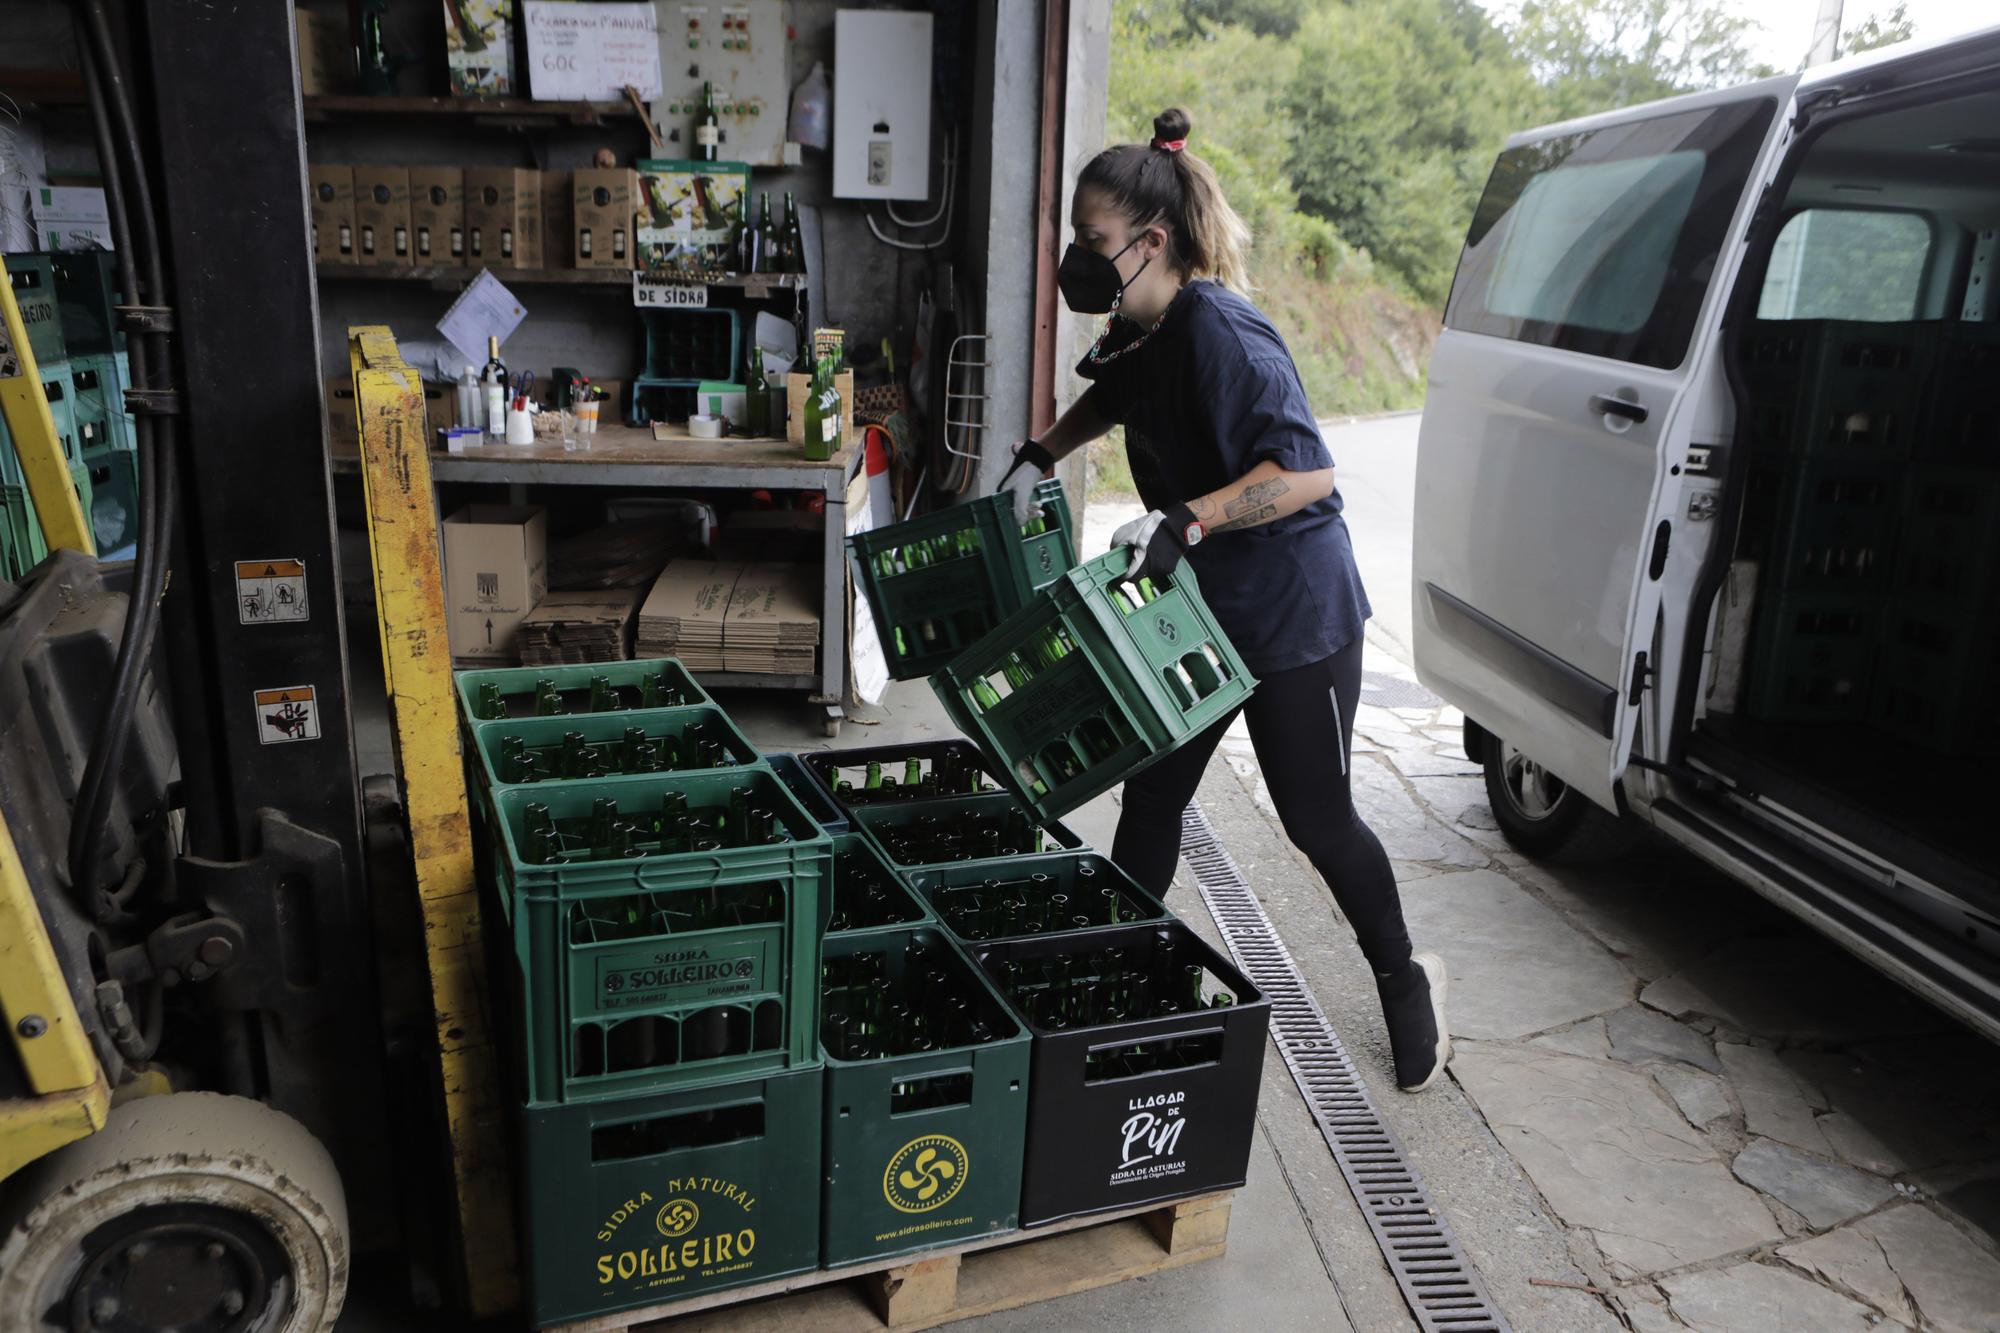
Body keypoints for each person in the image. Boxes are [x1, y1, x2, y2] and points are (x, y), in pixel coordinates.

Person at [997, 108, 1450, 1092]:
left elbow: (1305, 473)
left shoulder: (1222, 331)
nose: (1076, 256)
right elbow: (1111, 398)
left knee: (1315, 817)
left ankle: (1402, 972)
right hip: (1196, 611)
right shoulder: (1139, 325)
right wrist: (1042, 451)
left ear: (1150, 242)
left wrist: (1184, 521)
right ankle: (1111, 974)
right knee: (1152, 788)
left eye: (1090, 240)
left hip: (1292, 613)